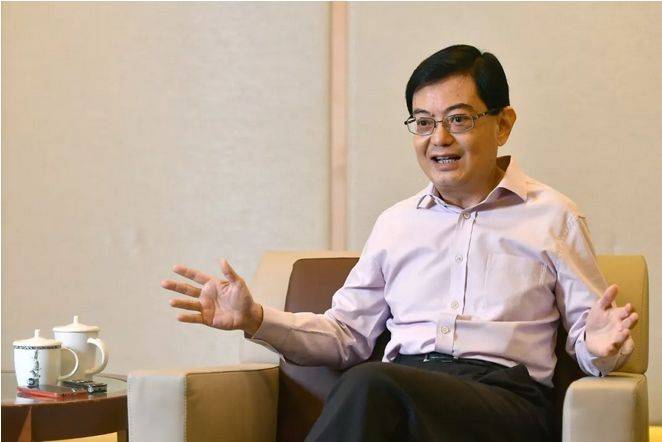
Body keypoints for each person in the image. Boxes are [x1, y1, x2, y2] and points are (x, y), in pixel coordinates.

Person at [161, 44, 638, 442]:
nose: (439, 139)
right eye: (423, 122)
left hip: (504, 403)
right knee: (378, 388)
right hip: (405, 390)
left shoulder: (553, 216)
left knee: (372, 384)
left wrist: (599, 345)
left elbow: (592, 340)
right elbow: (345, 336)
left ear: (503, 123)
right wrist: (256, 319)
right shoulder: (396, 224)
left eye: (459, 119)